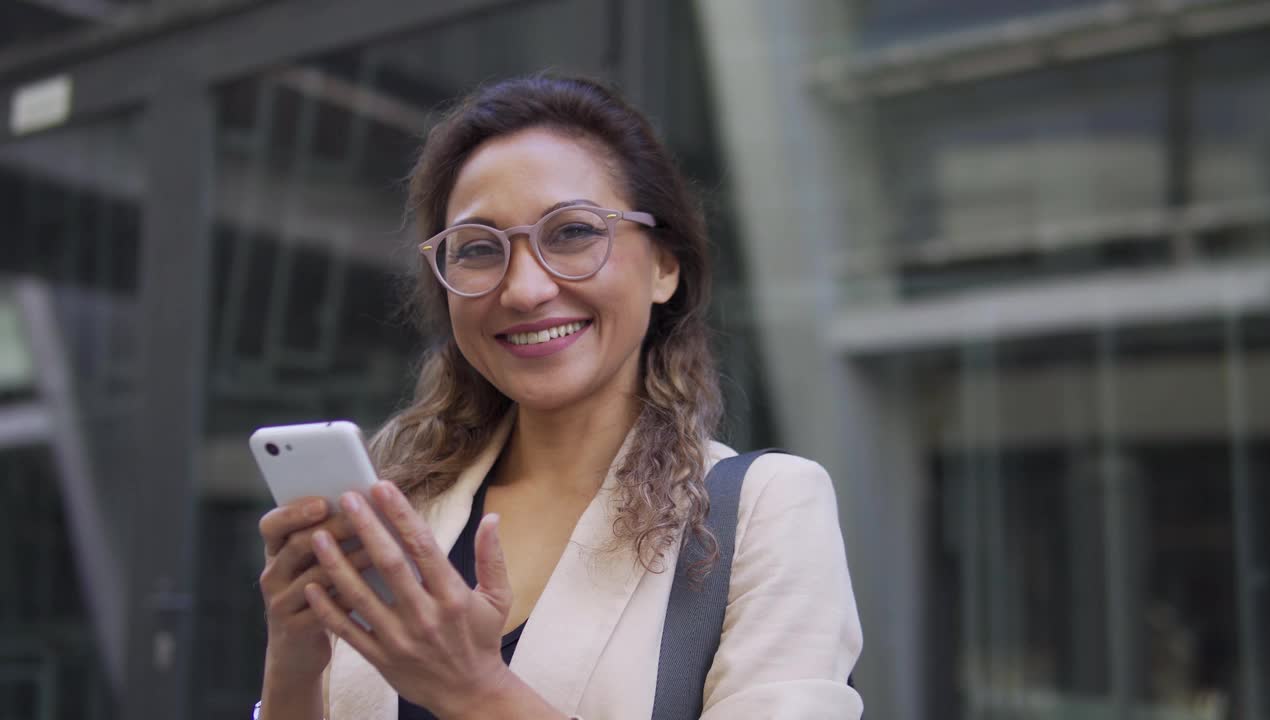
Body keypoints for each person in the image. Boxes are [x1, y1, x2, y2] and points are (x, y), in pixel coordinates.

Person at [254, 73, 862, 720]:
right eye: (479, 249)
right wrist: (294, 663)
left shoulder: (763, 511)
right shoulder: (403, 510)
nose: (523, 289)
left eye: (572, 233)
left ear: (664, 265)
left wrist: (476, 693)